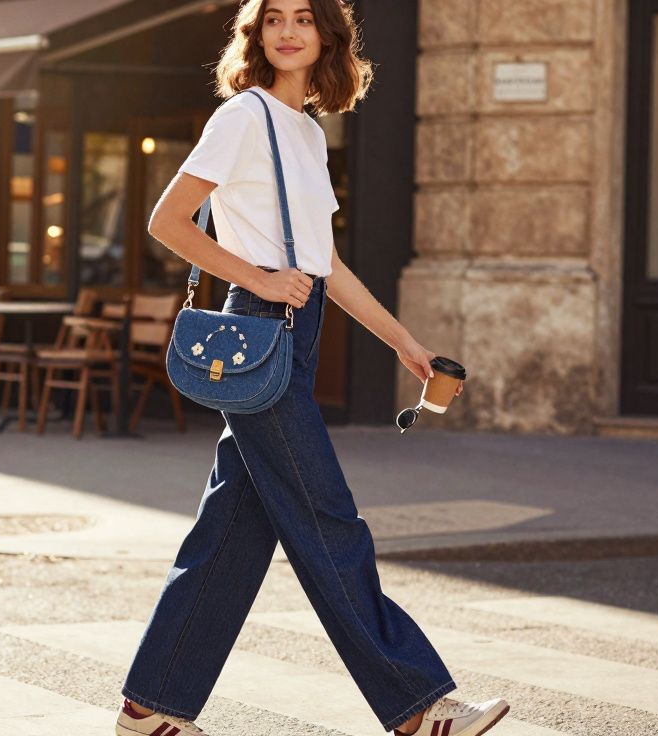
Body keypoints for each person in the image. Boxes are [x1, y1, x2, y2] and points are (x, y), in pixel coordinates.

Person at [116, 2, 508, 735]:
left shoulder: (304, 130)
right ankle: (417, 707)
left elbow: (323, 263)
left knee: (232, 528)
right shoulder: (242, 117)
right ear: (256, 36)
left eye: (303, 17)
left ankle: (151, 707)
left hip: (295, 330)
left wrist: (402, 342)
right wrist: (258, 279)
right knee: (328, 518)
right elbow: (166, 222)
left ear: (329, 34)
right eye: (272, 20)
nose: (287, 31)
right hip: (259, 328)